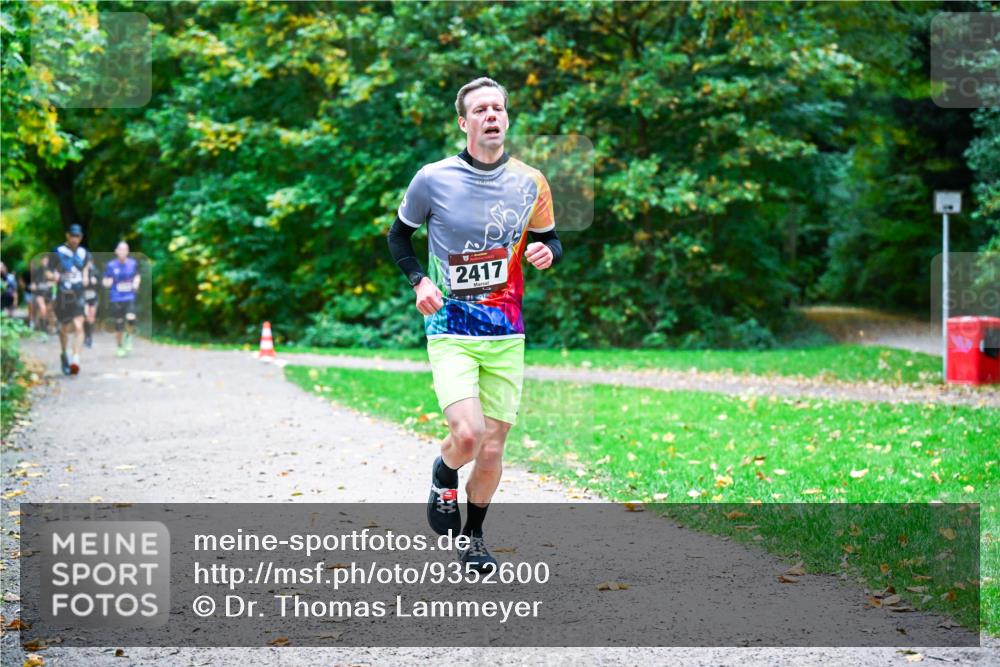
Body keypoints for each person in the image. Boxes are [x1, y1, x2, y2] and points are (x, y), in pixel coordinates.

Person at [387, 77, 563, 572]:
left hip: (506, 331)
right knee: (467, 436)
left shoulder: (531, 182)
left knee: (491, 448)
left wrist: (548, 251)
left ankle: (474, 536)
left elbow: (552, 240)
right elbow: (398, 237)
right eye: (481, 109)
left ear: (507, 119)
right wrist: (420, 280)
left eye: (498, 108)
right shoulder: (432, 178)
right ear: (464, 123)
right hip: (450, 327)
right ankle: (444, 471)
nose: (491, 115)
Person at [52, 225, 90, 375]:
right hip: (63, 294)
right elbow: (49, 270)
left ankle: (76, 359)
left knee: (79, 326)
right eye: (72, 236)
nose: (75, 239)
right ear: (67, 236)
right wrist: (54, 276)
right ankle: (64, 354)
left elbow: (86, 266)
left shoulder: (83, 252)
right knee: (64, 329)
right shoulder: (58, 251)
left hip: (78, 292)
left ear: (81, 237)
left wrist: (86, 276)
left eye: (78, 236)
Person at [103, 241, 140, 357]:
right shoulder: (111, 265)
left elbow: (137, 276)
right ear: (116, 251)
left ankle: (128, 337)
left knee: (131, 318)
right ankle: (119, 347)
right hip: (116, 297)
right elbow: (106, 279)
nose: (123, 252)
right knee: (119, 323)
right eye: (121, 249)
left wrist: (135, 284)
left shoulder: (133, 264)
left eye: (125, 250)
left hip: (129, 296)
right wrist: (106, 283)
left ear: (128, 251)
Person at [30, 253, 54, 334]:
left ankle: (44, 324)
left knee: (47, 311)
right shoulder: (37, 270)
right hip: (39, 293)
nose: (45, 261)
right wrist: (33, 286)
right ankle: (43, 329)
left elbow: (55, 281)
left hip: (48, 293)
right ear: (41, 261)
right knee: (43, 309)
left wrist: (52, 282)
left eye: (46, 260)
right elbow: (33, 282)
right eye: (43, 260)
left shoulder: (51, 270)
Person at [83, 255, 101, 347]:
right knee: (86, 316)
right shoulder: (81, 272)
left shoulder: (95, 271)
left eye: (90, 261)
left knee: (91, 317)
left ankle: (90, 338)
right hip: (84, 296)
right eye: (87, 261)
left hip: (93, 296)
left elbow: (101, 284)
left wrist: (96, 282)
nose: (89, 263)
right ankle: (86, 336)